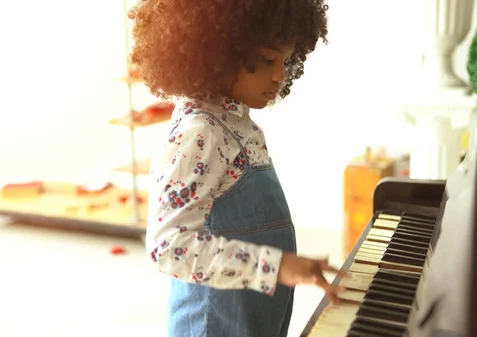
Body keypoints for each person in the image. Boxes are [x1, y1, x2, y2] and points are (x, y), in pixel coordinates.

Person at [128, 1, 345, 336]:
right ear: (219, 53)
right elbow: (168, 246)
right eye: (268, 59)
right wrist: (276, 266)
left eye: (286, 61)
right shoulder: (200, 133)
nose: (280, 75)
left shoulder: (234, 123)